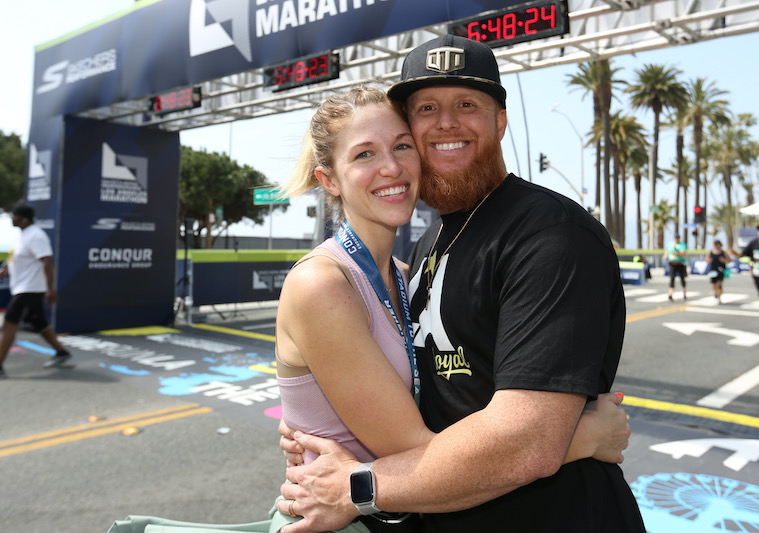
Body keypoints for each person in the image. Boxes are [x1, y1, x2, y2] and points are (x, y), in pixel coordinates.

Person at [104, 87, 630, 533]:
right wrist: (582, 437)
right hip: (347, 518)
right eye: (364, 155)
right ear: (328, 180)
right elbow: (421, 449)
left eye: (401, 146)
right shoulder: (322, 284)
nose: (392, 167)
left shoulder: (408, 275)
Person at [277, 35, 645, 533]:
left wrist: (357, 482)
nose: (446, 122)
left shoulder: (550, 233)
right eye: (426, 108)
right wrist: (582, 437)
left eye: (467, 104)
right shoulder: (425, 247)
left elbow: (526, 441)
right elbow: (423, 417)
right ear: (330, 180)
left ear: (500, 121)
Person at [0, 204, 71, 379]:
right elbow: (13, 260)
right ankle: (61, 352)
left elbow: (47, 262)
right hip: (21, 288)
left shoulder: (36, 235)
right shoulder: (22, 236)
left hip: (30, 289)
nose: (12, 218)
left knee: (9, 324)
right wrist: (2, 272)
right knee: (38, 322)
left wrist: (50, 289)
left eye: (15, 216)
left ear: (24, 218)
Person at [705, 240, 730, 304]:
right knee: (712, 285)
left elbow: (729, 260)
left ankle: (719, 298)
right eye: (715, 244)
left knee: (719, 285)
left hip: (721, 270)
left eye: (717, 244)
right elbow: (707, 258)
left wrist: (724, 260)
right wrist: (709, 260)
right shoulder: (711, 252)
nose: (716, 245)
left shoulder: (723, 252)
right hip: (713, 271)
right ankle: (716, 292)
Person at [664, 232, 688, 301]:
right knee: (672, 279)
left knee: (682, 279)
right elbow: (667, 251)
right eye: (675, 238)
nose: (676, 239)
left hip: (680, 263)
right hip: (672, 263)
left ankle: (684, 293)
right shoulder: (670, 244)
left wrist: (676, 249)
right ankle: (671, 294)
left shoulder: (682, 245)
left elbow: (683, 254)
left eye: (677, 238)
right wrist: (665, 256)